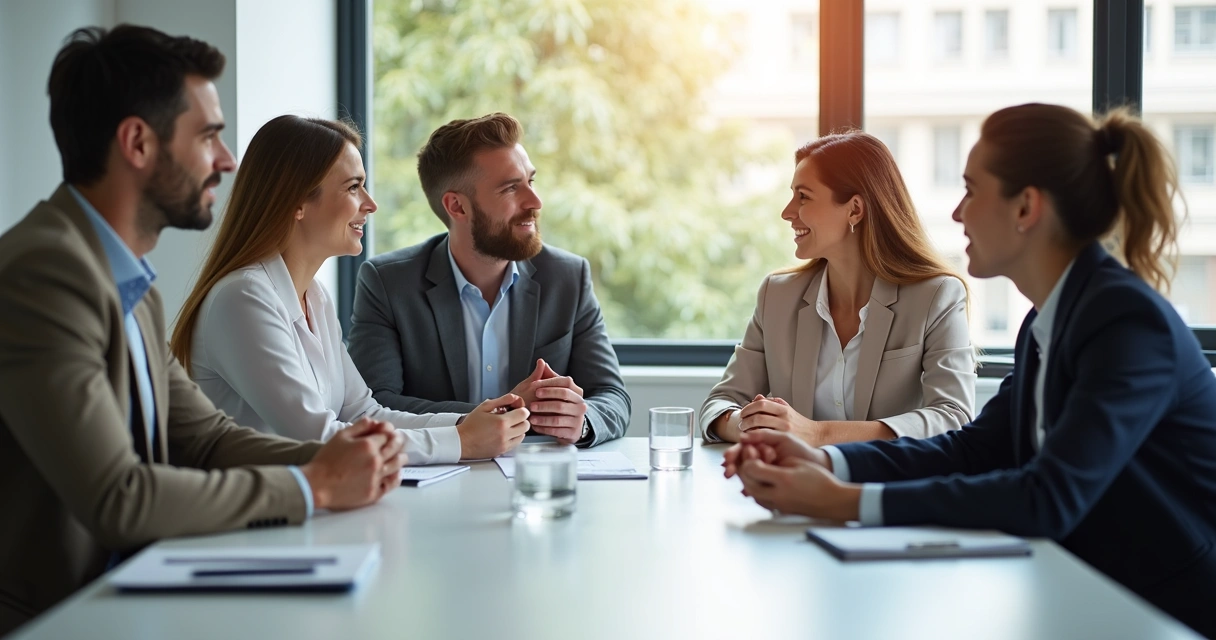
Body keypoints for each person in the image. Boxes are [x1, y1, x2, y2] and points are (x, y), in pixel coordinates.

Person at [725, 104, 1216, 638]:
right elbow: (975, 448)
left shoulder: (1127, 322)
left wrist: (842, 500)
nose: (958, 213)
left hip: (1168, 612)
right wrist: (828, 461)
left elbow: (1046, 497)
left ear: (1026, 207)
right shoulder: (1047, 321)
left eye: (971, 190)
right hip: (1087, 591)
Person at [0, 26, 406, 634]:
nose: (228, 160)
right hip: (63, 615)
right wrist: (312, 485)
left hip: (143, 586)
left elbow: (207, 439)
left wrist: (345, 457)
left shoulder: (124, 279)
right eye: (209, 135)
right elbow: (120, 498)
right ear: (138, 142)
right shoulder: (44, 276)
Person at [170, 115, 531, 463]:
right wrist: (461, 441)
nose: (370, 204)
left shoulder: (314, 296)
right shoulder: (243, 299)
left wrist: (468, 423)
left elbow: (362, 412)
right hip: (254, 517)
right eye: (353, 187)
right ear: (296, 202)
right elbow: (319, 437)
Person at [347, 113, 629, 447]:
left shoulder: (568, 277)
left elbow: (611, 397)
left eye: (531, 182)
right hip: (438, 480)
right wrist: (503, 412)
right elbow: (375, 404)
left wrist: (581, 421)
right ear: (457, 207)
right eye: (511, 188)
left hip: (538, 480)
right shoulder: (388, 283)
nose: (535, 202)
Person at [701, 131, 975, 446]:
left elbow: (954, 416)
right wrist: (753, 424)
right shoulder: (777, 295)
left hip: (885, 486)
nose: (788, 212)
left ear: (854, 210)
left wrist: (817, 434)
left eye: (803, 196)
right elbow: (719, 405)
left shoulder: (936, 296)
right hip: (792, 486)